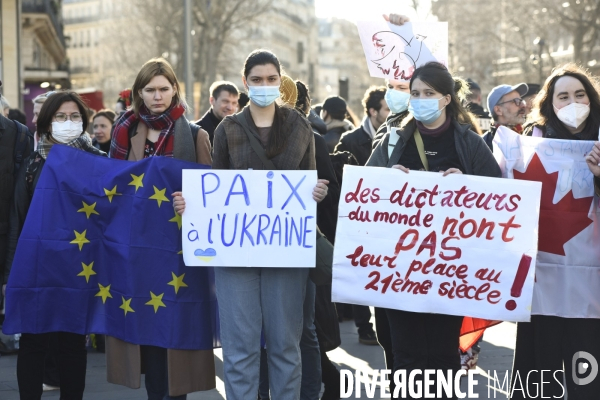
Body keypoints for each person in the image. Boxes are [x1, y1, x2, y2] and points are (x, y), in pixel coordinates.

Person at [173, 49, 328, 400]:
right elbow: (218, 188)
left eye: (271, 79)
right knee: (239, 348)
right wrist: (190, 204)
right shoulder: (228, 129)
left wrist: (317, 191)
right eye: (257, 80)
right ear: (246, 83)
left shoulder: (300, 126)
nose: (264, 85)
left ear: (280, 81)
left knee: (286, 347)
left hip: (286, 253)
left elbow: (308, 181)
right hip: (236, 256)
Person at [367, 62, 501, 399]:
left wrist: (468, 187)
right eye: (415, 93)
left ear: (446, 99)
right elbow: (362, 194)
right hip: (399, 270)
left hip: (449, 271)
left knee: (442, 355)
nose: (420, 99)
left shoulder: (470, 143)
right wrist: (385, 180)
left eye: (429, 93)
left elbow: (498, 198)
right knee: (406, 355)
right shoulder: (392, 140)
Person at [108, 57, 213, 400]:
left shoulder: (196, 135)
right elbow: (111, 186)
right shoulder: (124, 130)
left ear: (174, 90)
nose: (157, 96)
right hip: (135, 251)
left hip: (180, 253)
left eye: (164, 89)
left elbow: (212, 198)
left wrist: (191, 203)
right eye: (150, 89)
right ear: (139, 92)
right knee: (148, 335)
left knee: (175, 332)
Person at [5, 90, 105, 400]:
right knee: (34, 342)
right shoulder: (32, 165)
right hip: (37, 267)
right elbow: (17, 218)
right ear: (47, 123)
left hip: (80, 268)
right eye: (60, 117)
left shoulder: (100, 162)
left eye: (75, 116)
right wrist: (10, 274)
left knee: (72, 343)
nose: (68, 122)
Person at [511, 63, 600, 400]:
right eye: (563, 96)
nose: (573, 102)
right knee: (540, 376)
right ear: (550, 104)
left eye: (580, 95)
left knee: (587, 376)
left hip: (591, 289)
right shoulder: (527, 145)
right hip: (541, 285)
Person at [335, 86, 389, 166]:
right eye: (388, 109)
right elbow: (339, 173)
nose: (392, 113)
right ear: (373, 111)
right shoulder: (349, 141)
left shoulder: (398, 137)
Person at [482, 83, 528, 151]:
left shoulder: (529, 135)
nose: (523, 106)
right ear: (498, 110)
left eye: (521, 101)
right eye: (516, 101)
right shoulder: (484, 145)